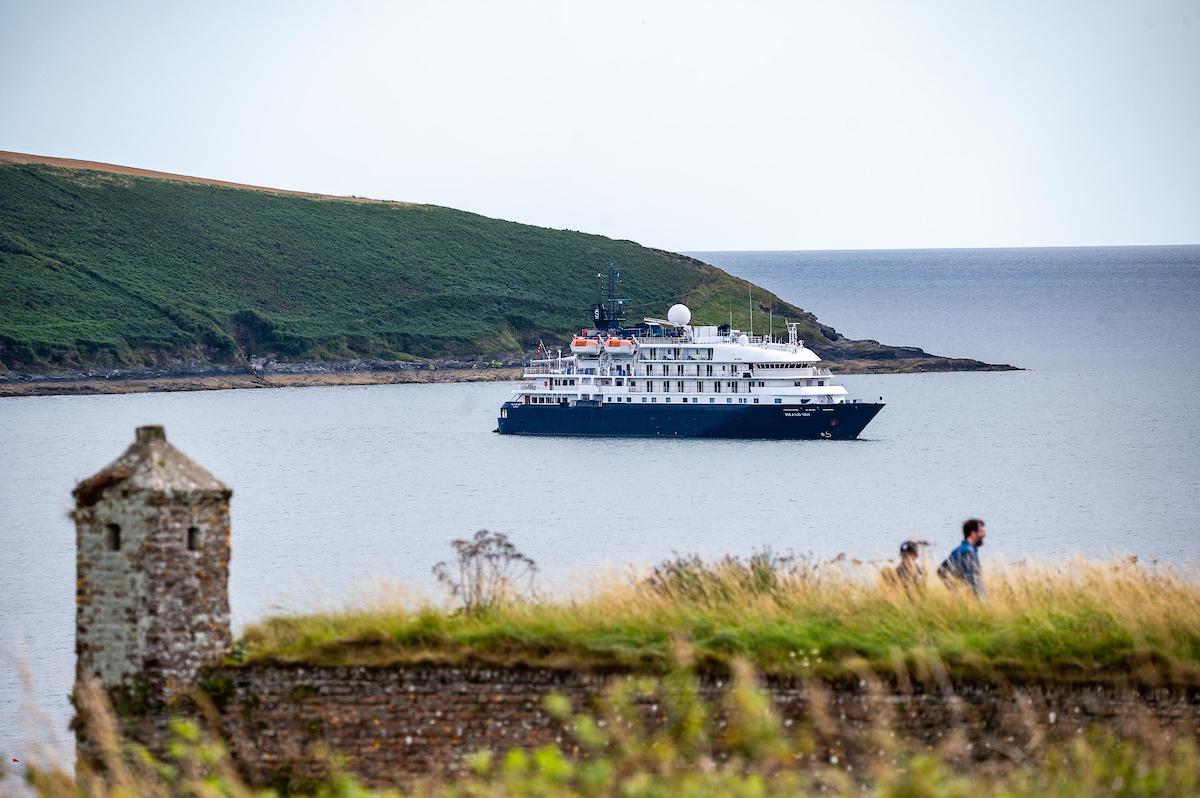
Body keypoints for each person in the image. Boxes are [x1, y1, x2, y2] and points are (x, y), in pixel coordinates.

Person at [937, 518, 986, 595]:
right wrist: (955, 590)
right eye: (981, 532)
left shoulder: (960, 550)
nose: (984, 535)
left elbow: (940, 571)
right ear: (973, 534)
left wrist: (954, 589)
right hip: (974, 601)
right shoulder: (968, 551)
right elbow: (973, 582)